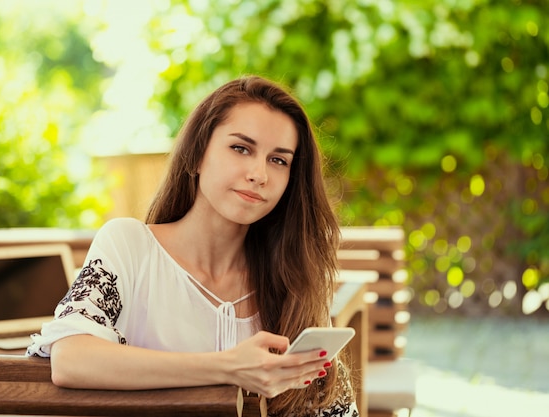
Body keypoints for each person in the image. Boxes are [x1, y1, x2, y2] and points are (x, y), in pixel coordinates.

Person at [27, 75, 359, 417]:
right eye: (241, 148)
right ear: (197, 155)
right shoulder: (130, 247)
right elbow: (71, 359)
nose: (259, 174)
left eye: (278, 160)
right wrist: (228, 367)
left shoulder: (292, 280)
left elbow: (334, 408)